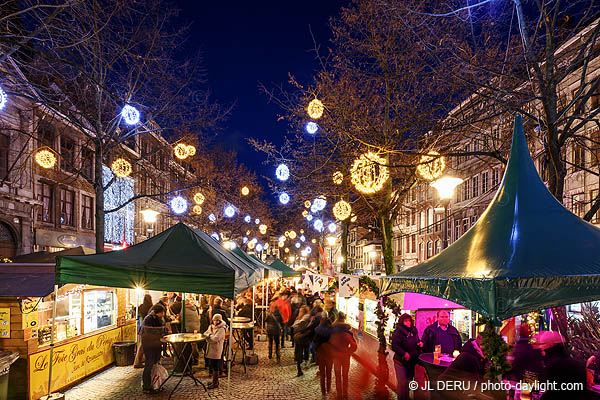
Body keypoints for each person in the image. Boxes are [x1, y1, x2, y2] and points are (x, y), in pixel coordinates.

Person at [391, 314, 423, 400]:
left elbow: (417, 340)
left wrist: (420, 343)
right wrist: (404, 353)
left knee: (408, 382)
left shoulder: (413, 330)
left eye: (409, 321)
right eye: (405, 321)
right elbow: (394, 346)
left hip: (412, 361)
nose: (408, 323)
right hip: (401, 362)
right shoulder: (397, 332)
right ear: (402, 322)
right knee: (402, 384)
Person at [141, 304, 168, 394]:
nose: (163, 314)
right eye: (163, 312)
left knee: (155, 363)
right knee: (149, 364)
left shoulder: (156, 318)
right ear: (159, 312)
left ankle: (155, 384)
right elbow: (151, 331)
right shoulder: (149, 319)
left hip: (155, 344)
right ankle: (146, 386)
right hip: (149, 345)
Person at [329, 312, 357, 400]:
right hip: (345, 356)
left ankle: (339, 394)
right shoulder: (348, 333)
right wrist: (348, 351)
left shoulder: (332, 331)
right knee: (345, 375)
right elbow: (354, 345)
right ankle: (345, 393)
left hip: (336, 356)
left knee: (337, 375)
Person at [204, 313, 228, 389]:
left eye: (217, 320)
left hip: (217, 349)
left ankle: (215, 383)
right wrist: (210, 335)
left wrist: (209, 335)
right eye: (214, 320)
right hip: (210, 348)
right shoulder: (211, 327)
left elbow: (215, 339)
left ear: (220, 320)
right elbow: (205, 333)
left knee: (215, 365)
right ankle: (215, 381)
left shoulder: (222, 329)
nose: (215, 322)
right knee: (211, 364)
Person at [315, 314, 334, 399]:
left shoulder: (317, 330)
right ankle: (329, 389)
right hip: (330, 354)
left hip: (321, 354)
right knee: (329, 372)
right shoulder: (332, 331)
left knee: (322, 374)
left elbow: (315, 342)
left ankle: (323, 392)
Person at [134, 294, 154, 368]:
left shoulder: (141, 306)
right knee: (144, 346)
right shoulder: (151, 307)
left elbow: (135, 311)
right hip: (148, 328)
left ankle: (141, 360)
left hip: (142, 326)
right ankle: (138, 362)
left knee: (142, 345)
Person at [293, 305, 312, 377]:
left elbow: (296, 329)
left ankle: (299, 369)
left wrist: (297, 334)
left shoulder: (300, 319)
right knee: (304, 351)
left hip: (299, 338)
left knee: (299, 353)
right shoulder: (306, 319)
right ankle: (303, 366)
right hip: (304, 338)